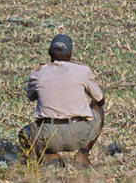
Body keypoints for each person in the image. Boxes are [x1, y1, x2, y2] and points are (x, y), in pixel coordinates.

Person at [18, 34, 105, 169]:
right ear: (70, 54)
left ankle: (49, 156)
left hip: (48, 136)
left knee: (25, 133)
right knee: (98, 108)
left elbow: (31, 97)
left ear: (49, 53)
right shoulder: (82, 71)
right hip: (80, 134)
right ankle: (83, 154)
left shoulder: (37, 74)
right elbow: (100, 100)